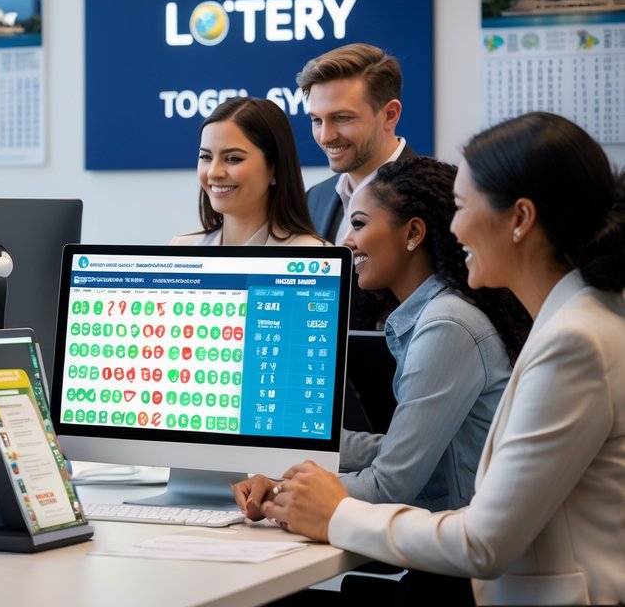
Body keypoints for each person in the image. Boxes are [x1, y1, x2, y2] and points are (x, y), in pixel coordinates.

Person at [248, 113, 625, 606]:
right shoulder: (578, 318)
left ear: (520, 219)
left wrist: (331, 511)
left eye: (462, 207)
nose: (455, 226)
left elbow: (482, 542)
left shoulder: (573, 341)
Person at [234, 156, 531, 603]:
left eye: (358, 224)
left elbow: (391, 484)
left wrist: (281, 490)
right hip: (445, 563)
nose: (346, 241)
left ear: (413, 233)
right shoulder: (432, 315)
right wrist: (295, 455)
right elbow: (401, 450)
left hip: (460, 580)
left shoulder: (445, 325)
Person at [299, 43, 417, 330]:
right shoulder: (316, 198)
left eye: (342, 118)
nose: (326, 136)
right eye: (317, 120)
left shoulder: (434, 197)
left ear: (390, 115)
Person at [171, 96, 323, 246]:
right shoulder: (181, 248)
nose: (213, 173)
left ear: (275, 167)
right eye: (206, 157)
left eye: (232, 158)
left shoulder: (314, 256)